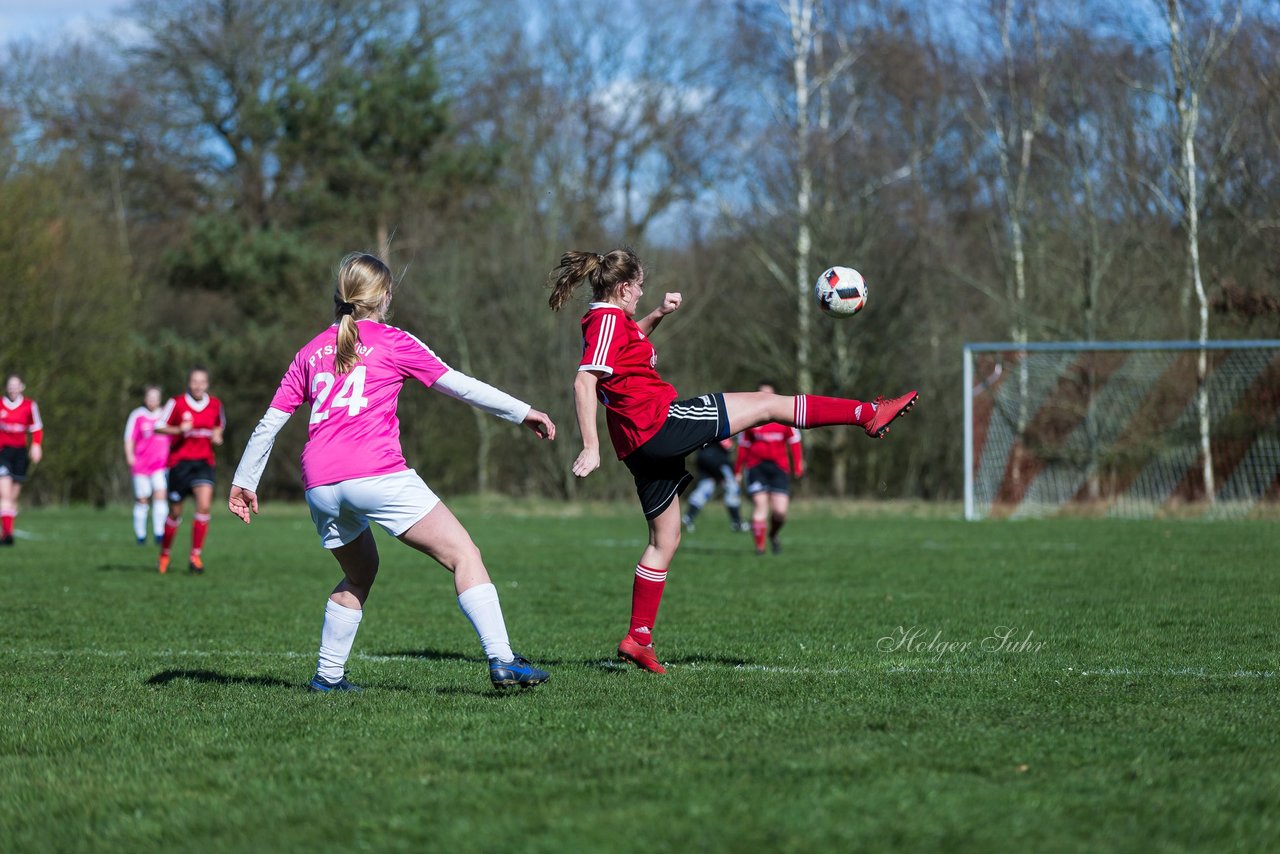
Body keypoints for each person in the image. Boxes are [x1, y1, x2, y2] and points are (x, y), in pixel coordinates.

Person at [549, 248, 917, 674]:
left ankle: (638, 638)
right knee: (766, 405)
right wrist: (590, 446)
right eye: (641, 287)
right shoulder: (610, 320)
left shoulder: (605, 320)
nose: (643, 293)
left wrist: (657, 314)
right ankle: (867, 414)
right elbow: (584, 381)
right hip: (660, 422)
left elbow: (627, 350)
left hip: (637, 442)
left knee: (663, 541)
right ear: (625, 287)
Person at [228, 252, 555, 692]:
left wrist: (244, 482)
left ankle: (327, 678)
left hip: (321, 484)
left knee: (360, 573)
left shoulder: (309, 351)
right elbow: (458, 384)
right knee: (464, 555)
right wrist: (523, 412)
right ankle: (502, 659)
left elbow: (270, 422)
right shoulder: (394, 341)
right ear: (383, 296)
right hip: (377, 474)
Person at [156, 367, 225, 574]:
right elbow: (159, 426)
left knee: (203, 506)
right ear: (189, 383)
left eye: (202, 382)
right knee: (175, 512)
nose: (198, 385)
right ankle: (165, 553)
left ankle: (195, 556)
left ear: (207, 384)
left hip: (203, 463)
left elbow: (218, 426)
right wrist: (178, 429)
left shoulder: (215, 404)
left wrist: (217, 436)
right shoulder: (176, 403)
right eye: (194, 381)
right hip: (179, 464)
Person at [736, 382, 804, 555]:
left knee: (780, 512)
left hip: (779, 468)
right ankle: (760, 548)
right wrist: (737, 470)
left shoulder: (785, 418)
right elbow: (743, 446)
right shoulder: (748, 419)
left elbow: (794, 442)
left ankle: (773, 534)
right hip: (756, 467)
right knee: (760, 506)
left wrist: (797, 465)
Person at [123, 385, 171, 545]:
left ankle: (159, 533)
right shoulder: (137, 415)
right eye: (150, 397)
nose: (153, 401)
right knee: (142, 500)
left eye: (156, 397)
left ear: (160, 399)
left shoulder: (165, 415)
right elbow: (129, 437)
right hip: (141, 465)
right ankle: (141, 535)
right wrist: (130, 455)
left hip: (160, 465)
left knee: (160, 496)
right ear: (145, 399)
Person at [0, 374, 43, 546]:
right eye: (10, 385)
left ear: (21, 387)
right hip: (2, 453)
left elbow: (37, 427)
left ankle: (5, 531)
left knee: (13, 497)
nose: (13, 388)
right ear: (6, 387)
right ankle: (8, 535)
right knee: (4, 494)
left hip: (20, 454)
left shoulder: (29, 406)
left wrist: (36, 446)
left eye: (16, 385)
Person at [680, 439, 746, 533]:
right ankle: (737, 522)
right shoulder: (722, 425)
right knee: (732, 488)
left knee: (704, 489)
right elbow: (729, 446)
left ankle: (688, 518)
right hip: (717, 460)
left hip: (703, 457)